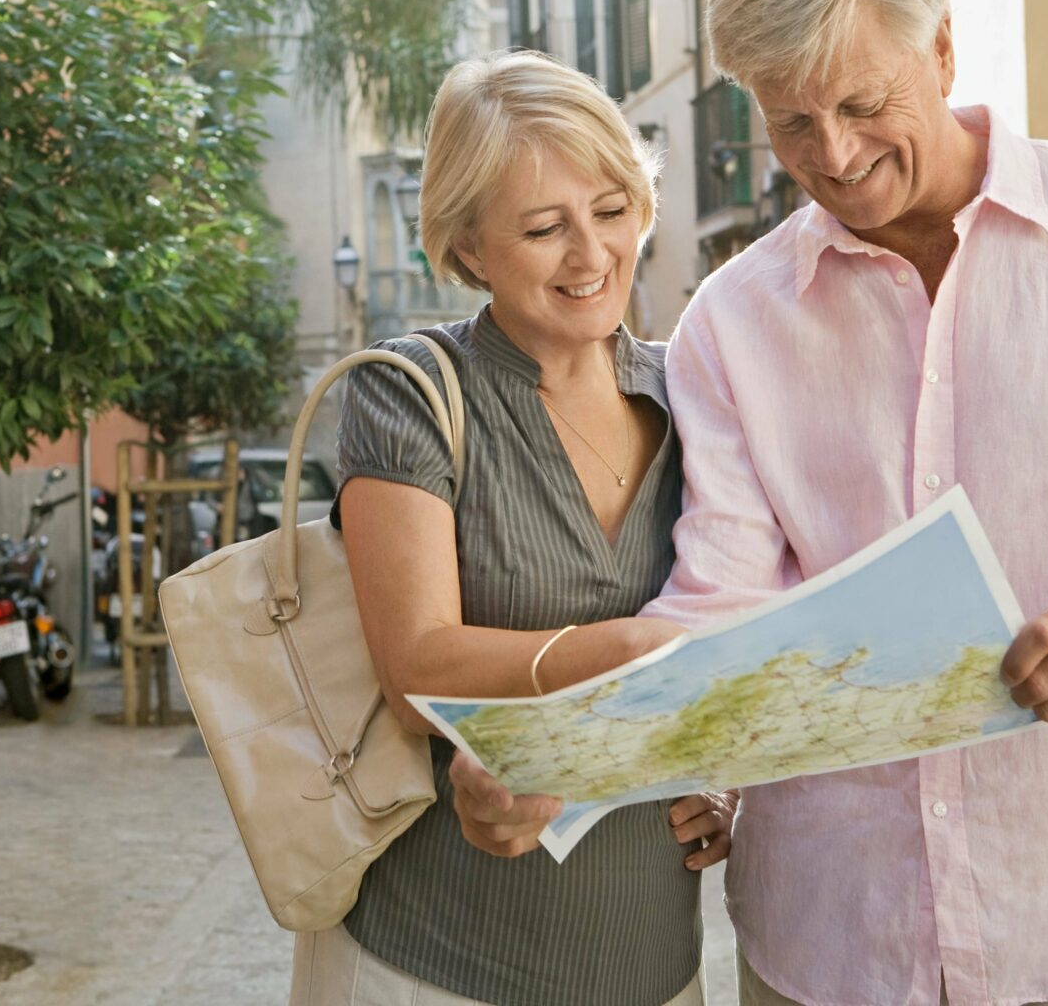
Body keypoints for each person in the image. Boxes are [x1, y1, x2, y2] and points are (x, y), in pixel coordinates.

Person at [450, 0, 1048, 1006]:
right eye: (793, 123)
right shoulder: (730, 321)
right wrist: (556, 756)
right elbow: (721, 602)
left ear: (941, 50)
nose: (835, 156)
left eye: (862, 102)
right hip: (833, 941)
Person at [296, 50, 728, 1006]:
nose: (592, 256)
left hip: (658, 967)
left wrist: (729, 778)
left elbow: (739, 637)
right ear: (466, 246)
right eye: (544, 228)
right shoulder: (408, 391)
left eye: (611, 211)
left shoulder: (696, 389)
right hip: (432, 968)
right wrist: (629, 647)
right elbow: (417, 674)